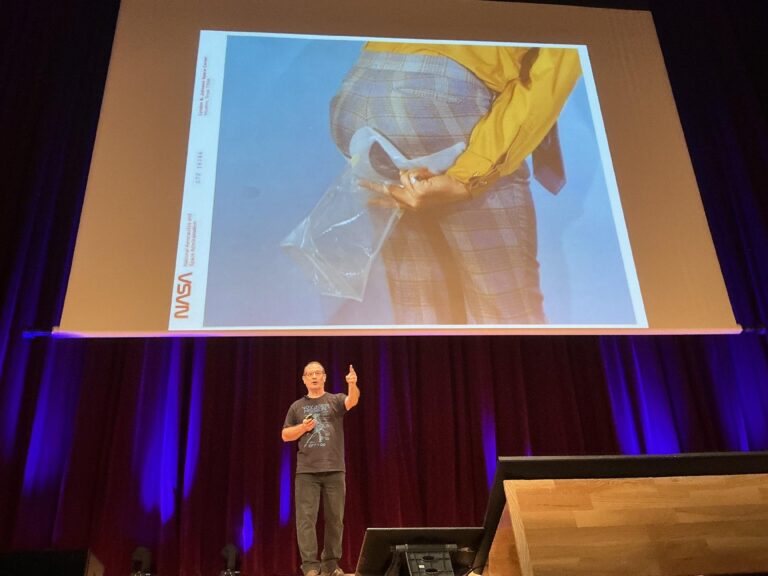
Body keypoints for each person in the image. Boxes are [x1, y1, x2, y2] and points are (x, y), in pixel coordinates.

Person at [330, 42, 582, 324]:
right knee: (507, 311)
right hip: (432, 98)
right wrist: (468, 177)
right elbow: (551, 72)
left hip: (360, 87)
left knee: (420, 310)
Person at [282, 361, 360, 576]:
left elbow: (352, 401)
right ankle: (310, 566)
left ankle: (331, 564)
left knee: (335, 518)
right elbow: (285, 435)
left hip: (334, 469)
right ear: (304, 379)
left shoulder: (334, 400)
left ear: (324, 377)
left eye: (318, 373)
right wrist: (303, 427)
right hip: (306, 472)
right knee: (306, 519)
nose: (314, 376)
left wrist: (352, 384)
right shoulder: (297, 407)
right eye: (310, 374)